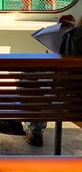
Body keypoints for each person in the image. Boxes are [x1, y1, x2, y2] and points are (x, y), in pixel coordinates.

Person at [23, 14, 81, 146]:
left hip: (70, 103)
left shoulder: (75, 36)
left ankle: (35, 130)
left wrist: (52, 59)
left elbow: (62, 78)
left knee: (31, 72)